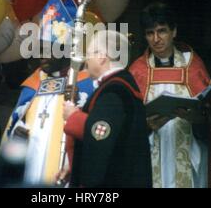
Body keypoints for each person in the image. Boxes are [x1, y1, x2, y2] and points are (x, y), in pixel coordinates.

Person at [129, 3, 211, 188]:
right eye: (150, 33)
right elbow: (127, 123)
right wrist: (145, 126)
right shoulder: (137, 71)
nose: (156, 39)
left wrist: (198, 119)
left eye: (162, 31)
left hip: (189, 155)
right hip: (150, 157)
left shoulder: (193, 67)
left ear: (174, 31)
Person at [1, 0, 94, 186]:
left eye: (48, 48)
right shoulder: (34, 82)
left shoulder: (86, 85)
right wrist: (19, 132)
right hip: (29, 173)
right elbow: (15, 126)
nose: (41, 54)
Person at [62, 30, 151, 188]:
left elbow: (101, 134)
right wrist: (76, 166)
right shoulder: (122, 85)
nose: (86, 61)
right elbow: (117, 140)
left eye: (88, 55)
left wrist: (73, 116)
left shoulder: (113, 92)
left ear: (102, 56)